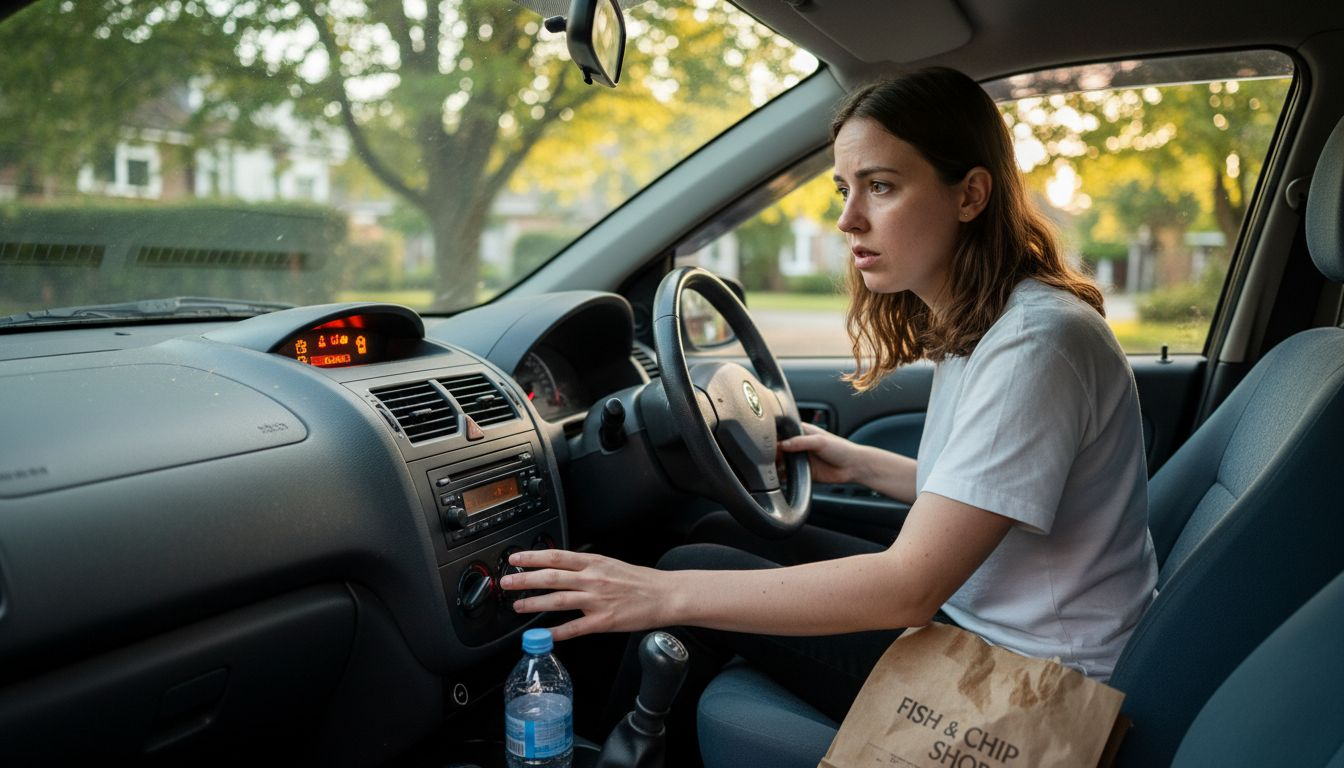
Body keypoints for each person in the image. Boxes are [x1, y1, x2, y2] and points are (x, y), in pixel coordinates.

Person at [499, 65, 1158, 746]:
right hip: (995, 626)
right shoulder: (996, 321)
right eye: (845, 189)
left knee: (681, 577)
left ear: (970, 195)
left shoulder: (1035, 343)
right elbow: (992, 494)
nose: (848, 219)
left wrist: (657, 594)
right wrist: (860, 462)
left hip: (1032, 683)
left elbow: (910, 588)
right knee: (721, 534)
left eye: (881, 186)